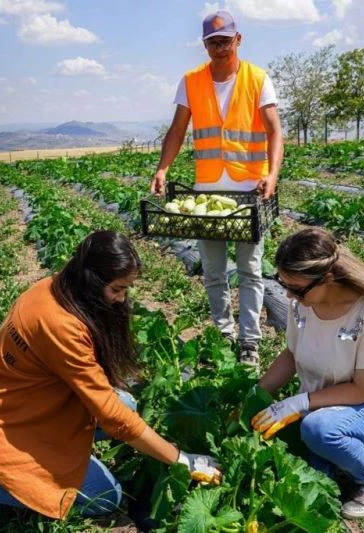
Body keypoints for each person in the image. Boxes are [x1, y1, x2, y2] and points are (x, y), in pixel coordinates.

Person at [0, 231, 220, 531]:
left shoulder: (56, 287)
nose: (122, 298)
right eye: (117, 289)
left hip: (23, 410)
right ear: (92, 281)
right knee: (105, 497)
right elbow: (115, 419)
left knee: (125, 401)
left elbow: (109, 399)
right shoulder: (61, 326)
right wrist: (181, 459)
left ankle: (59, 459)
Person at [250, 228, 364, 519]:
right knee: (302, 466)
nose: (289, 294)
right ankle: (332, 463)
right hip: (324, 401)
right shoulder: (301, 305)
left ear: (327, 278)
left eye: (296, 288)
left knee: (318, 430)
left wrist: (299, 402)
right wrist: (254, 395)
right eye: (284, 284)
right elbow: (291, 355)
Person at [149, 10, 284, 368]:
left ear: (238, 40)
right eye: (213, 42)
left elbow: (274, 132)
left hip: (248, 190)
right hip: (206, 192)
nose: (220, 47)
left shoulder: (258, 79)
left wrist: (271, 173)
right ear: (205, 44)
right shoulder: (191, 81)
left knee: (251, 270)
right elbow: (177, 131)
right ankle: (224, 333)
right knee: (212, 271)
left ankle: (249, 342)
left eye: (225, 40)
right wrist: (163, 168)